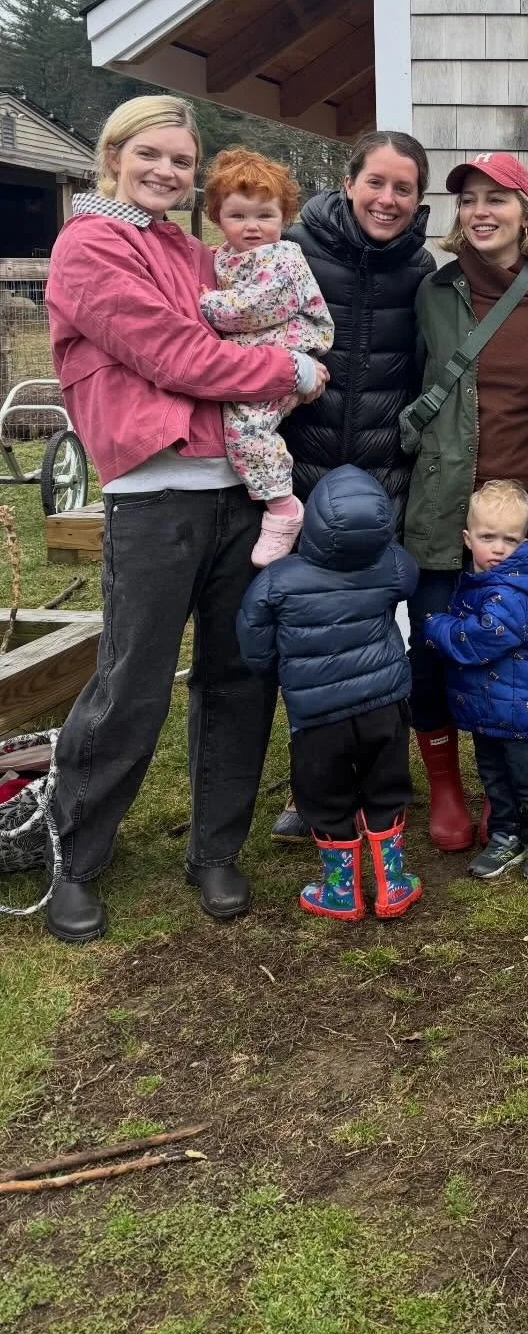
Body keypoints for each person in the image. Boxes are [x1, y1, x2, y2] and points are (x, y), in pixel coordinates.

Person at [42, 95, 328, 944]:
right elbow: (174, 353)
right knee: (132, 680)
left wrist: (284, 346)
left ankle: (215, 850)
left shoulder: (195, 251)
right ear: (113, 155)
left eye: (180, 160)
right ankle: (75, 856)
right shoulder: (89, 246)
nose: (167, 171)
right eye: (151, 155)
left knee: (239, 675)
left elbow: (251, 312)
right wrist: (287, 370)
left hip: (237, 488)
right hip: (154, 494)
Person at [402, 151, 528, 853]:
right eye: (469, 199)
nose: (480, 211)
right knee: (434, 646)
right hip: (448, 502)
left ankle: (517, 797)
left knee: (516, 651)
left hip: (527, 508)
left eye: (497, 198)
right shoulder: (435, 291)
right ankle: (448, 787)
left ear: (526, 212)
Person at [270, 130, 434, 842]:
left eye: (404, 188)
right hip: (297, 477)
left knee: (375, 641)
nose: (388, 200)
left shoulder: (422, 270)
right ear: (349, 181)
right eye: (377, 183)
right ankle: (312, 788)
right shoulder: (294, 252)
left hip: (379, 485)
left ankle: (380, 791)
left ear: (419, 198)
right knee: (307, 640)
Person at [236, 465, 422, 922]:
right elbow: (409, 579)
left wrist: (274, 671)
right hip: (385, 704)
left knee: (326, 795)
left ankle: (342, 892)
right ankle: (392, 885)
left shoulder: (277, 581)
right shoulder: (394, 564)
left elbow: (253, 639)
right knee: (386, 787)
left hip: (318, 716)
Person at [422, 480, 528, 881]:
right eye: (489, 537)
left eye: (511, 539)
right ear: (468, 539)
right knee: (493, 774)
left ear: (524, 541)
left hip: (521, 706)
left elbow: (478, 641)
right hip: (489, 704)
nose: (500, 548)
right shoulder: (477, 583)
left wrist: (436, 625)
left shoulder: (510, 593)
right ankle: (506, 836)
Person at [197, 149, 335, 565]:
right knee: (240, 424)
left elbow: (258, 307)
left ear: (284, 217)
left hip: (289, 351)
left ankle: (282, 507)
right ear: (218, 217)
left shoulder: (283, 257)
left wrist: (209, 306)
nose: (253, 227)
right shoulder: (221, 257)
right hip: (258, 356)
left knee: (248, 428)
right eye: (238, 216)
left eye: (265, 216)